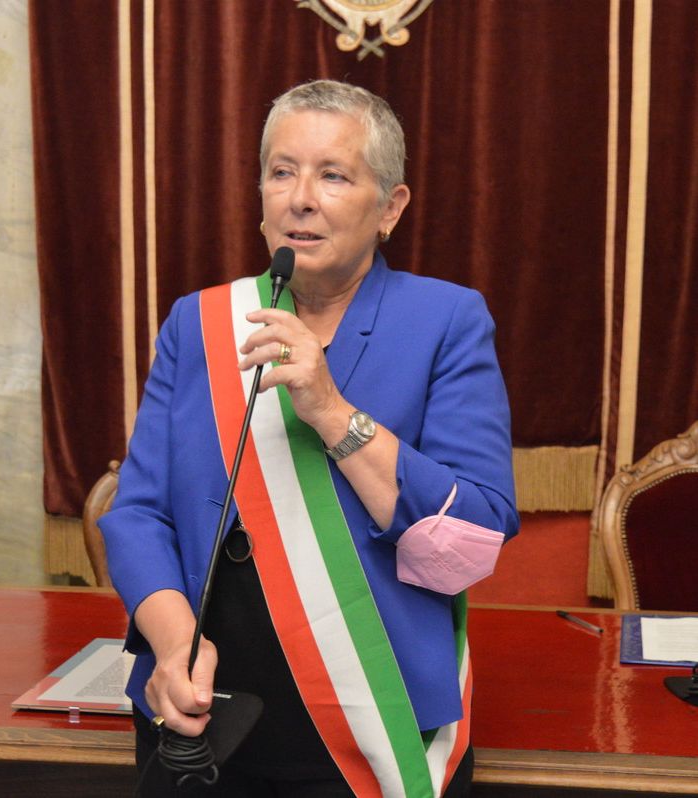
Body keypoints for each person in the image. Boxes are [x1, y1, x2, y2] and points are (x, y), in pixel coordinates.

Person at [100, 79, 519, 797]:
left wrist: (329, 410)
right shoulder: (199, 323)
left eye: (333, 176)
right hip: (203, 704)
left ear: (390, 208)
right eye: (281, 172)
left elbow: (473, 537)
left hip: (369, 710)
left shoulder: (446, 321)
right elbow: (139, 513)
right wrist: (173, 647)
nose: (300, 198)